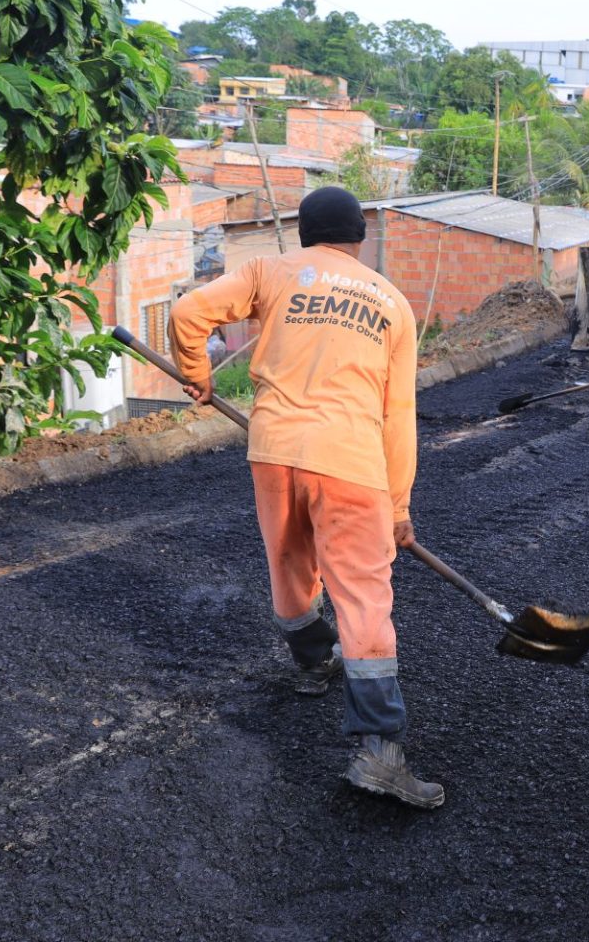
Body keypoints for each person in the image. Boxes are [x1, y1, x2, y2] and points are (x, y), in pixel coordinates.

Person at [168, 185, 443, 809]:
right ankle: (379, 752)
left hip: (273, 448)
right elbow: (398, 415)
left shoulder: (271, 271)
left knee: (290, 562)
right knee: (363, 597)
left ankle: (315, 661)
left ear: (304, 235)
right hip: (350, 460)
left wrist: (197, 375)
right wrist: (399, 507)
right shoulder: (392, 303)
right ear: (359, 240)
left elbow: (187, 313)